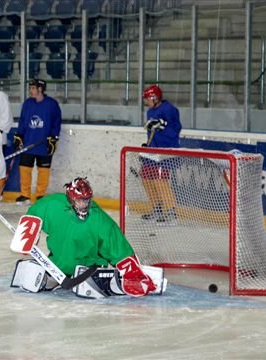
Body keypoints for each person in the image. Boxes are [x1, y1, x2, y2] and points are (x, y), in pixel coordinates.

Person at [11, 177, 164, 297]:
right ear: (71, 198)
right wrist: (27, 234)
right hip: (59, 265)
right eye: (80, 200)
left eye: (87, 200)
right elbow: (35, 212)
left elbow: (116, 244)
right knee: (35, 281)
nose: (84, 204)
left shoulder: (99, 219)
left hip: (89, 267)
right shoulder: (53, 205)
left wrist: (133, 273)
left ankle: (108, 282)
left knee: (94, 287)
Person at [13, 78, 62, 205]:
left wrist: (53, 138)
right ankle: (25, 195)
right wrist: (19, 135)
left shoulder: (52, 104)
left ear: (40, 89)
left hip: (44, 144)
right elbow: (23, 121)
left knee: (43, 171)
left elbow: (56, 122)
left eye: (33, 88)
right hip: (28, 143)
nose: (31, 90)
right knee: (24, 169)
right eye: (30, 88)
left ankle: (40, 196)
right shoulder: (28, 103)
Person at [140, 84, 181, 223]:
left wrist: (164, 126)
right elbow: (152, 132)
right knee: (146, 177)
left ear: (154, 97)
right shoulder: (150, 112)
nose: (146, 102)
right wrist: (148, 144)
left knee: (160, 180)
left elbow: (175, 130)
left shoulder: (170, 109)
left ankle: (170, 212)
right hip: (152, 150)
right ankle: (157, 208)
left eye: (147, 98)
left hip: (166, 151)